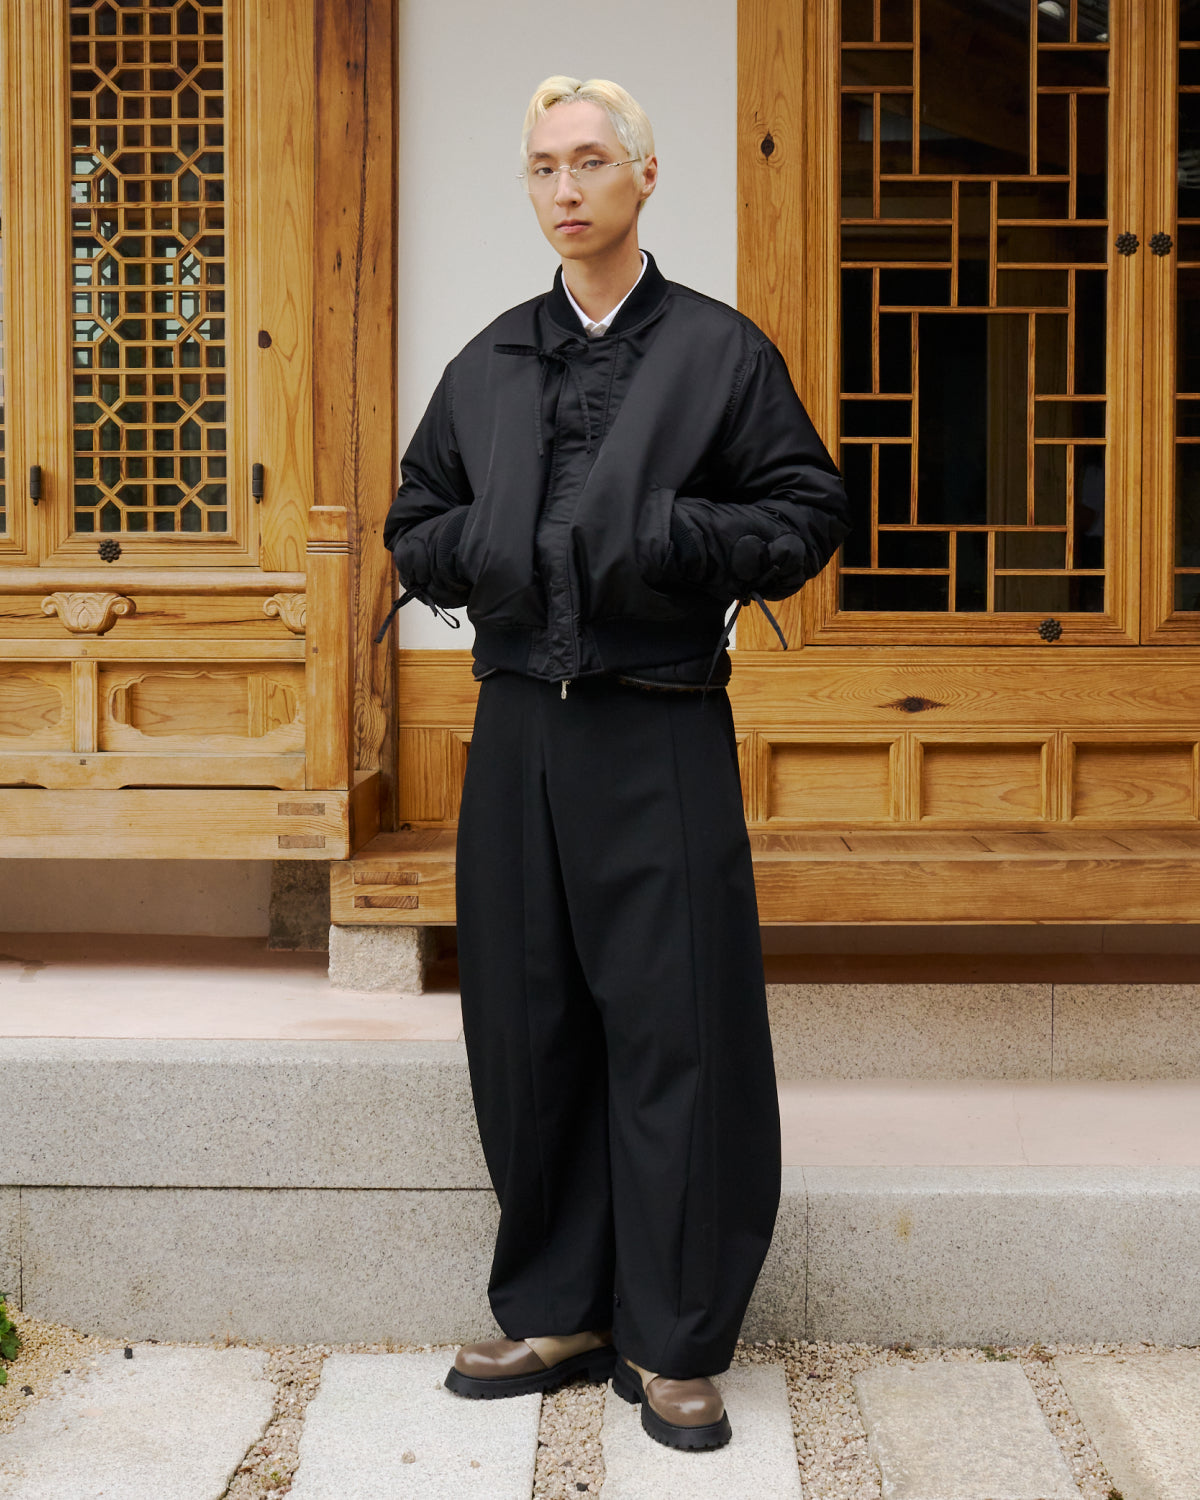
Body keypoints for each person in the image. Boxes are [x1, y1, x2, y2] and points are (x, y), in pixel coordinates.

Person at [382, 75, 849, 1452]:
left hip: (659, 720)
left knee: (678, 1029)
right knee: (526, 1026)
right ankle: (557, 1308)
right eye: (543, 167)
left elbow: (807, 508)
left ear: (645, 180)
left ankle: (676, 1335)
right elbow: (419, 522)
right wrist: (505, 545)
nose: (566, 188)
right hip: (521, 722)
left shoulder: (721, 354)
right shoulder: (489, 362)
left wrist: (671, 538)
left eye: (591, 162)